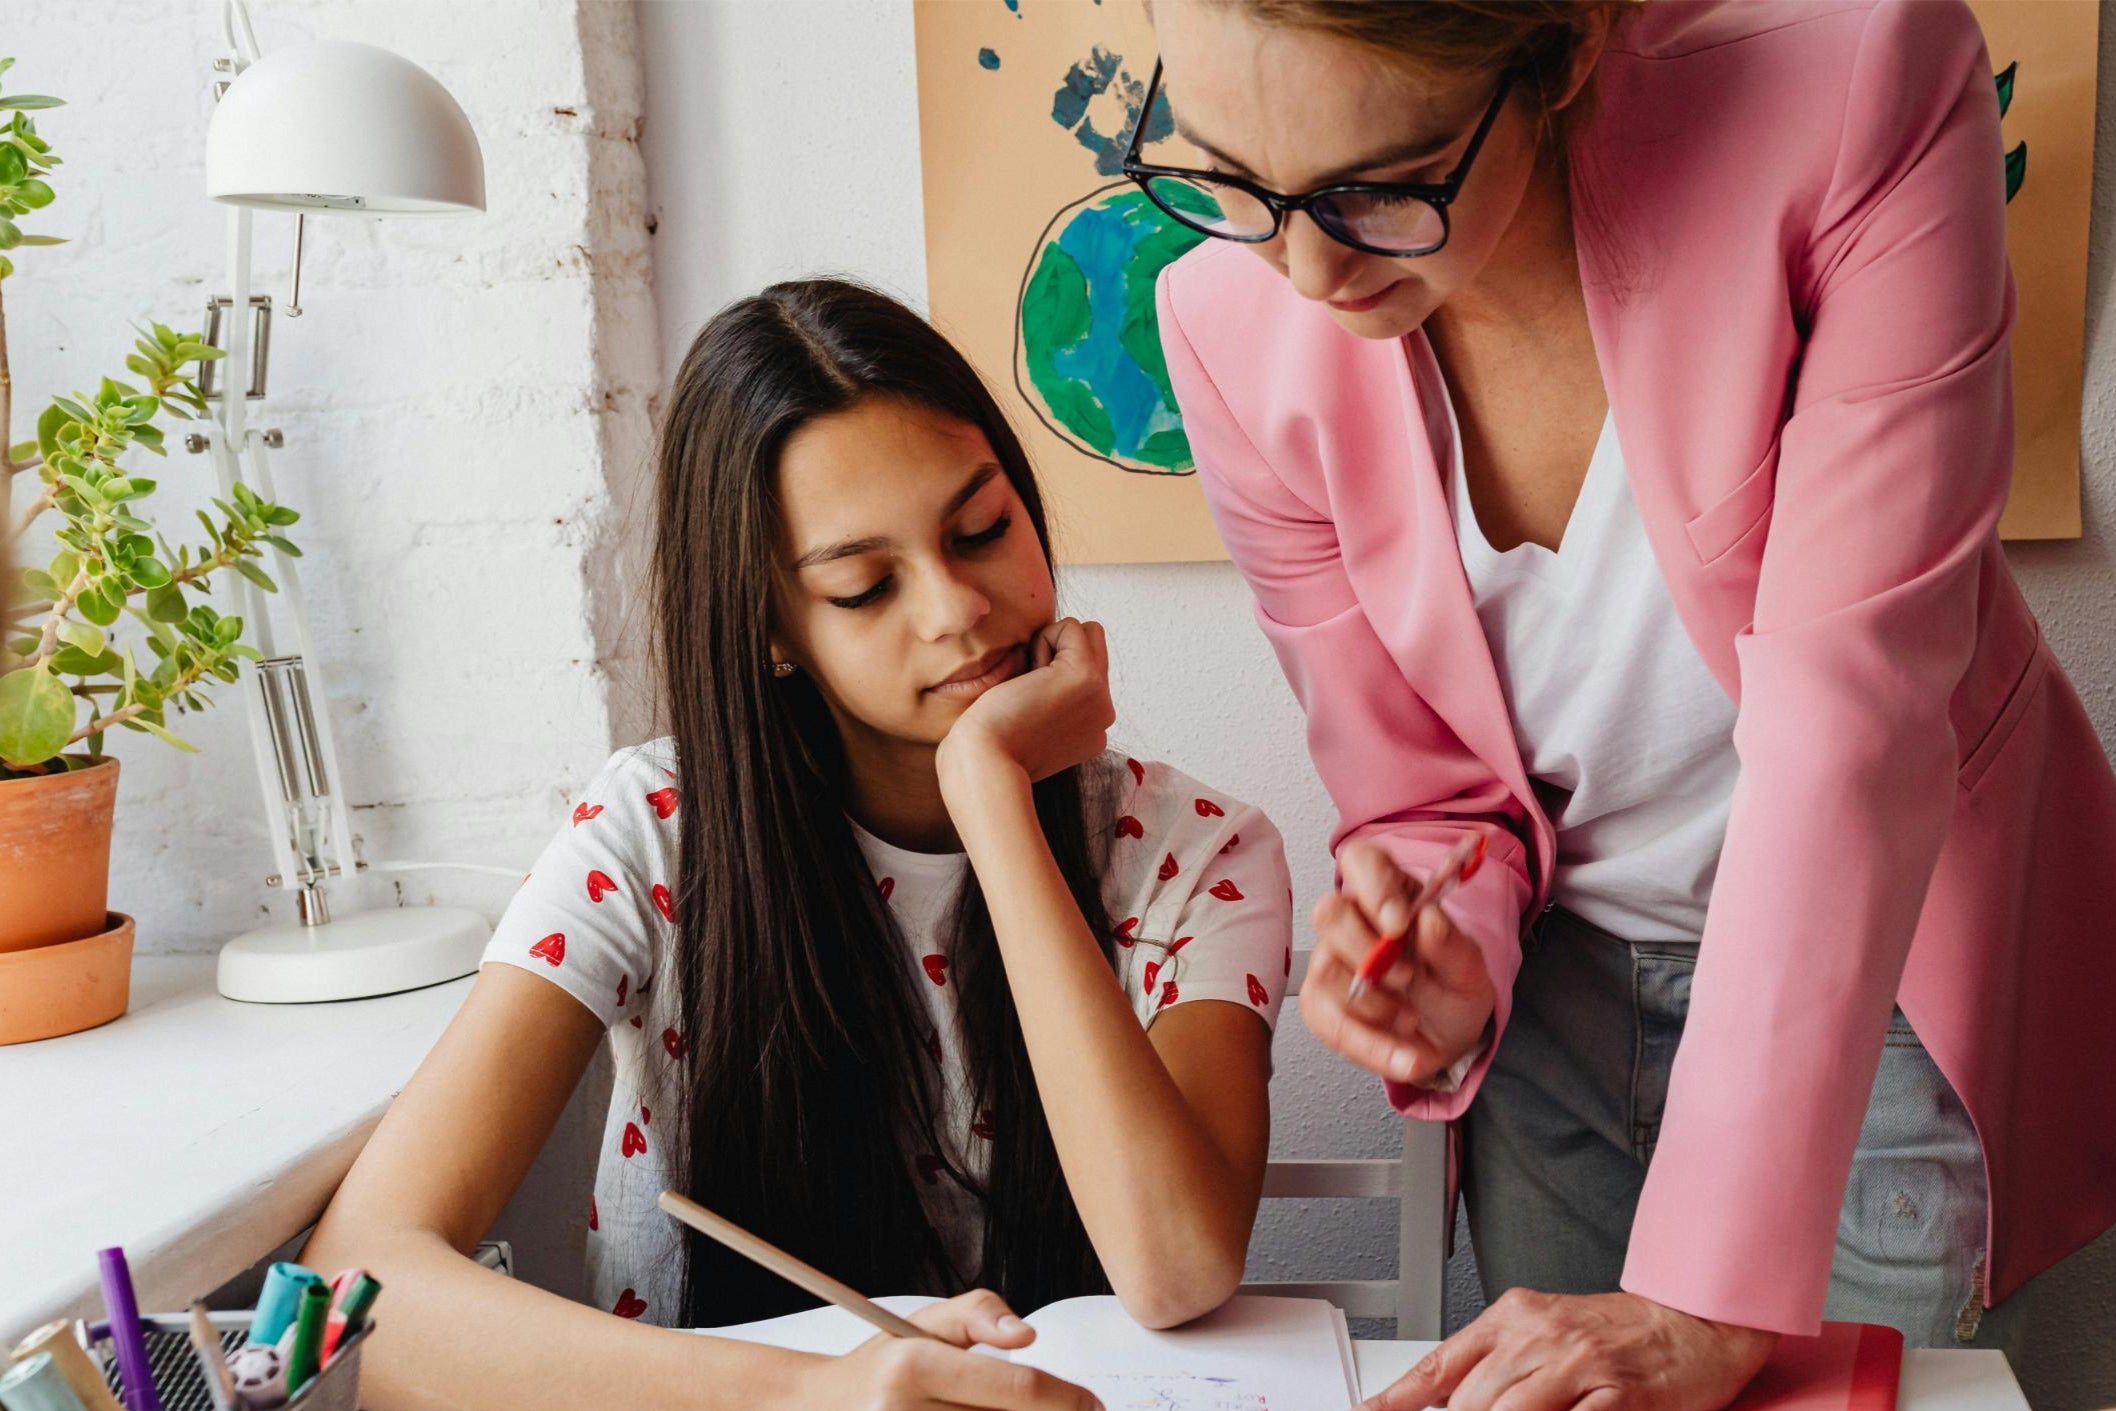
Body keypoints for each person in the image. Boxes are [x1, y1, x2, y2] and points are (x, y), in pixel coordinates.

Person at [1139, 3, 2116, 1409]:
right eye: (1226, 173)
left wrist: (1702, 1290)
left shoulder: (1859, 89)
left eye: (1383, 185)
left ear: (1568, 45)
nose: (1303, 269)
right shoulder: (1222, 318)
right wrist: (1439, 943)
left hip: (1885, 974)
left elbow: (1855, 715)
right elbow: (1419, 786)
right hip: (1558, 992)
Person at [300, 278, 1294, 1411]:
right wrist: (803, 1395)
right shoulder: (650, 833)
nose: (957, 607)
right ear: (773, 625)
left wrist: (994, 801)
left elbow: (1175, 1265)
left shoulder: (1198, 852)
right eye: (865, 587)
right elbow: (354, 1281)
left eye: (982, 529)